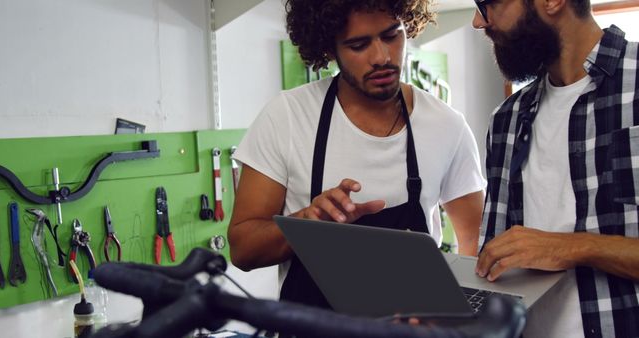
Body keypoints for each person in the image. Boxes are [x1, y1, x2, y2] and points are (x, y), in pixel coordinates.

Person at [228, 0, 486, 309]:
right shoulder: (287, 117)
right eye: (358, 45)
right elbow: (243, 249)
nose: (382, 57)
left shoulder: (447, 125)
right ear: (329, 47)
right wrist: (306, 222)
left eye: (392, 35)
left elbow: (475, 243)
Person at [472, 0, 639, 337]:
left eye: (489, 3)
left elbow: (556, 246)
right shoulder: (507, 119)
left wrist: (574, 247)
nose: (478, 21)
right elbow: (494, 269)